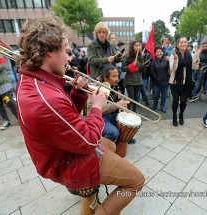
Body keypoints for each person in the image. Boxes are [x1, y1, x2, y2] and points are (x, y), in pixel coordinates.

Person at [16, 17, 144, 215]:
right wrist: (96, 108)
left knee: (110, 144)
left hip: (66, 151)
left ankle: (92, 195)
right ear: (49, 51)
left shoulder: (35, 80)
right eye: (66, 52)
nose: (70, 59)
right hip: (70, 162)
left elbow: (65, 119)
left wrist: (79, 93)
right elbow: (89, 140)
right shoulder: (45, 97)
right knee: (136, 181)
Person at [87, 65, 137, 144]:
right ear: (105, 78)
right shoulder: (94, 87)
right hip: (100, 117)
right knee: (113, 133)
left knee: (130, 123)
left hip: (112, 113)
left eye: (117, 76)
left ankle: (123, 139)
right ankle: (98, 148)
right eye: (114, 76)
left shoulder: (114, 85)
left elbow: (121, 98)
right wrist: (117, 105)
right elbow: (90, 109)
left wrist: (123, 107)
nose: (117, 79)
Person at [169, 37, 196, 127]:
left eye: (185, 42)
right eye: (181, 42)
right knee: (176, 101)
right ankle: (174, 116)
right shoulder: (173, 55)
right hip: (175, 81)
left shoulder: (190, 55)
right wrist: (176, 59)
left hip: (186, 82)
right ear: (177, 45)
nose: (183, 43)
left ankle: (181, 115)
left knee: (184, 101)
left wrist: (196, 57)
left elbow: (195, 68)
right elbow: (173, 69)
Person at [121, 41, 144, 112]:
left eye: (139, 45)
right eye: (136, 45)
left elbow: (141, 70)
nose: (138, 47)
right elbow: (123, 68)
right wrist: (131, 65)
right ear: (132, 47)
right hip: (130, 81)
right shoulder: (128, 56)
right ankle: (127, 111)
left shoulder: (140, 57)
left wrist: (144, 65)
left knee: (136, 98)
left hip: (138, 80)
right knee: (131, 98)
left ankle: (134, 112)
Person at [151, 46, 170, 113]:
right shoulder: (153, 61)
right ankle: (154, 105)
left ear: (162, 52)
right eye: (157, 52)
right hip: (157, 82)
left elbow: (170, 69)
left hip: (166, 82)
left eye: (160, 51)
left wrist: (170, 60)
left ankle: (163, 106)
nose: (159, 53)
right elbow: (152, 72)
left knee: (164, 96)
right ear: (155, 53)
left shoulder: (166, 60)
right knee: (156, 96)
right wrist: (157, 79)